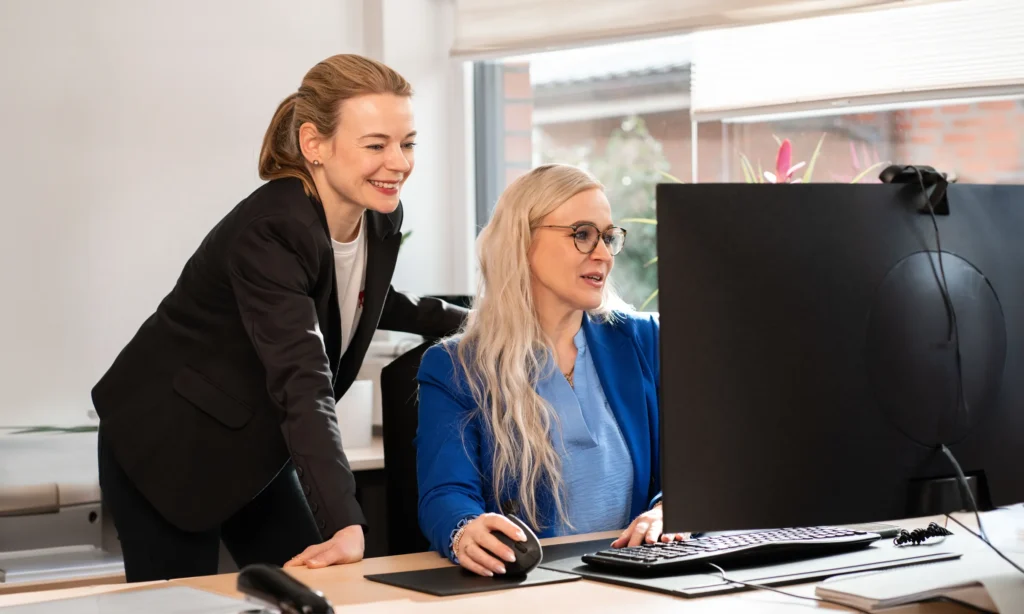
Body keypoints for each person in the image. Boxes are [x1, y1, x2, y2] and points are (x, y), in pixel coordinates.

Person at [92, 53, 467, 582]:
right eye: (376, 145)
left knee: (312, 591)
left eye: (407, 144)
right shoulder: (271, 230)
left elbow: (364, 296)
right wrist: (345, 520)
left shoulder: (378, 214)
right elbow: (302, 378)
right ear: (315, 144)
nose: (399, 163)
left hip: (254, 444)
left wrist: (469, 320)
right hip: (171, 443)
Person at [415, 163, 684, 578]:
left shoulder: (645, 341)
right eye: (582, 234)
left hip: (638, 581)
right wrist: (464, 530)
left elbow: (692, 468)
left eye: (609, 237)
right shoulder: (454, 366)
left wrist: (670, 511)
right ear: (522, 241)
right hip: (534, 588)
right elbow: (445, 493)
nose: (603, 254)